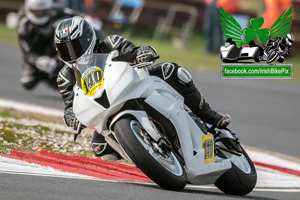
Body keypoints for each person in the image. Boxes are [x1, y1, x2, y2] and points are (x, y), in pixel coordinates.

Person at [54, 16, 231, 161]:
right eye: (65, 50)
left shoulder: (110, 43)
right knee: (101, 149)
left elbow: (133, 51)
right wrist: (72, 117)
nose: (72, 54)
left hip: (133, 86)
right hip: (104, 109)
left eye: (75, 47)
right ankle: (148, 158)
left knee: (173, 71)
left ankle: (209, 115)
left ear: (87, 38)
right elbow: (70, 105)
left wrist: (142, 53)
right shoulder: (64, 77)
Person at [17, 0, 76, 90]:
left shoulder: (56, 11)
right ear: (29, 9)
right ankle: (52, 78)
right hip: (38, 51)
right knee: (28, 82)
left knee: (62, 26)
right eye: (36, 11)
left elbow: (73, 14)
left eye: (42, 11)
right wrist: (38, 60)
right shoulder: (24, 25)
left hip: (55, 46)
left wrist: (87, 19)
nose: (40, 13)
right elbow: (27, 52)